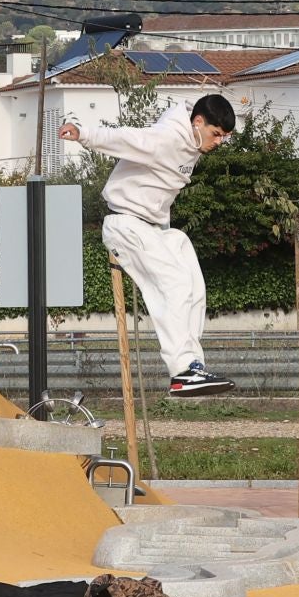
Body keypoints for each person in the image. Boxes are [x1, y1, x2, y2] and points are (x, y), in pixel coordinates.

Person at [60, 93, 238, 398]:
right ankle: (181, 372)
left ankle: (193, 364)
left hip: (154, 229)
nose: (218, 142)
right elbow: (126, 138)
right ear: (198, 122)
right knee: (175, 283)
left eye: (224, 137)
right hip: (126, 225)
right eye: (216, 134)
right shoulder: (166, 138)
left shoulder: (194, 139)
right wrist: (83, 133)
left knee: (192, 280)